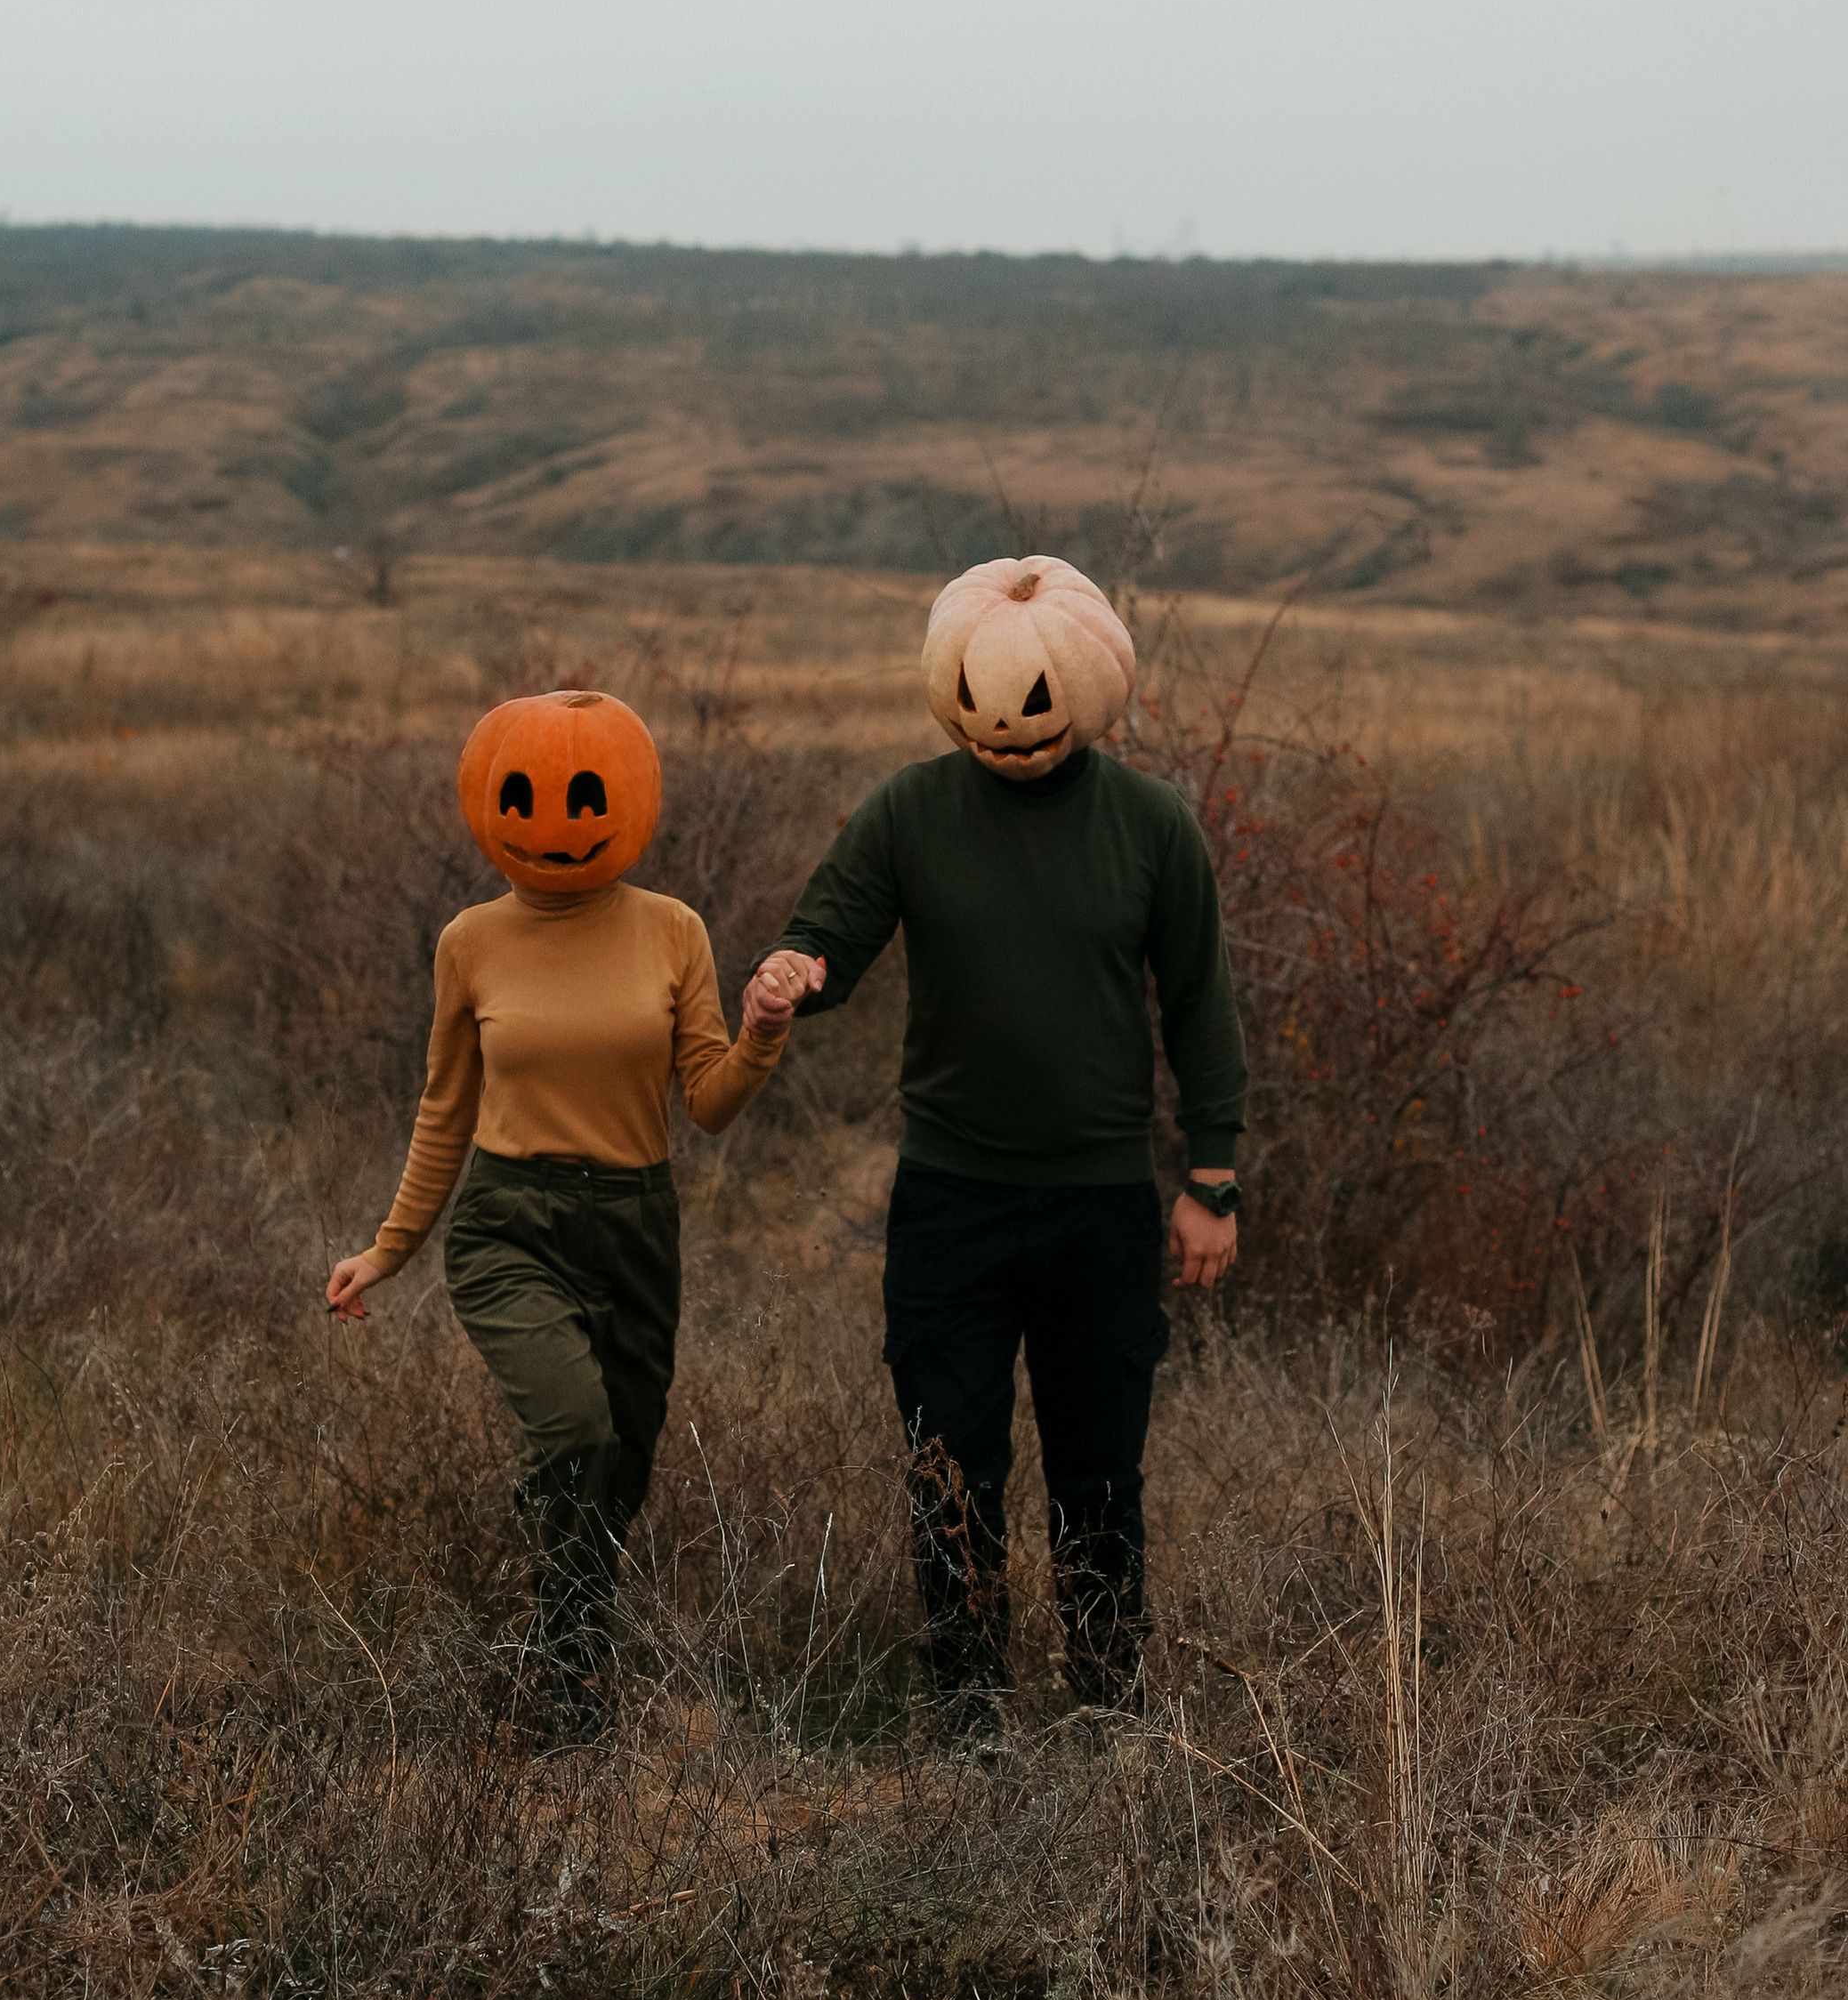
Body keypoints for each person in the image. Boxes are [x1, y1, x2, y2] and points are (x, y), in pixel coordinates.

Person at [749, 555, 1245, 1728]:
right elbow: (828, 935)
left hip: (1100, 1207)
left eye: (1032, 702)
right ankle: (968, 1725)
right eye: (983, 698)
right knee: (950, 1470)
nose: (1010, 726)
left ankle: (1106, 1711)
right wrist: (789, 977)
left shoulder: (1149, 825)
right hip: (951, 1204)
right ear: (948, 684)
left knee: (1099, 1478)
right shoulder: (910, 812)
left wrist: (1212, 1178)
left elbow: (1200, 1004)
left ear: (1088, 686)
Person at [325, 688, 800, 1729]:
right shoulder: (470, 942)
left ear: (627, 801)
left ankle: (571, 1649)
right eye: (528, 797)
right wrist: (392, 1246)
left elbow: (709, 1106)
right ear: (487, 804)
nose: (557, 820)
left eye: (587, 794)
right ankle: (563, 1671)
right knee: (574, 1427)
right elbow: (445, 1101)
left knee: (622, 1457)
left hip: (634, 1220)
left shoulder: (673, 933)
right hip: (511, 1221)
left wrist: (762, 1031)